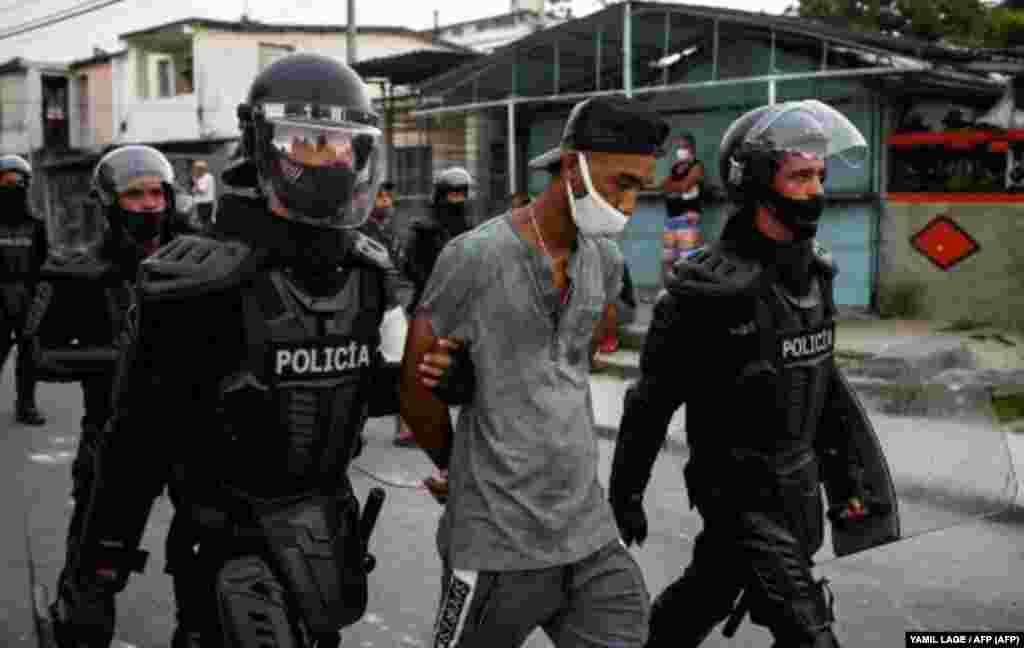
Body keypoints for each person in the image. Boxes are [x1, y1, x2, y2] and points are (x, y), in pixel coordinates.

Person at [51, 53, 432, 647]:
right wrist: (95, 576)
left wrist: (432, 382)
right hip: (226, 544)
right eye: (307, 142)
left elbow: (353, 390)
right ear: (263, 146)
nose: (328, 160)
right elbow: (135, 444)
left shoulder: (365, 273)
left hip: (325, 538)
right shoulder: (196, 284)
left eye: (340, 144)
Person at [608, 100, 881, 648]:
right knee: (811, 637)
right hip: (739, 496)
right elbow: (651, 402)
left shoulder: (815, 277)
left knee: (704, 594)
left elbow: (820, 388)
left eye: (820, 176)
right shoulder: (704, 293)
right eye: (800, 176)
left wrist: (850, 480)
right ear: (756, 182)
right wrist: (626, 493)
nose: (815, 190)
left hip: (798, 494)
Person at [401, 95, 669, 647]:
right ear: (571, 166)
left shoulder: (605, 260)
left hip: (585, 531)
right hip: (497, 541)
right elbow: (414, 384)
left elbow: (572, 360)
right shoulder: (475, 256)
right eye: (619, 183)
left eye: (638, 187)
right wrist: (457, 467)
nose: (627, 202)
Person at [29, 145, 190, 626]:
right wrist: (119, 360)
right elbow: (40, 353)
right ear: (108, 202)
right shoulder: (79, 272)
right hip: (115, 433)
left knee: (206, 556)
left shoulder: (201, 263)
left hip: (195, 436)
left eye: (155, 193)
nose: (147, 204)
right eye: (134, 194)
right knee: (96, 561)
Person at [0, 154, 46, 425]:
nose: (12, 185)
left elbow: (44, 264)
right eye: (6, 181)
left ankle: (26, 405)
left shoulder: (36, 225)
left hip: (27, 298)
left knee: (30, 355)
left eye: (18, 181)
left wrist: (41, 300)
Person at [399, 166, 474, 316]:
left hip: (462, 304)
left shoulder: (469, 229)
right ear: (442, 196)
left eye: (461, 195)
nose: (459, 200)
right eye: (454, 195)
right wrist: (434, 287)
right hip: (430, 304)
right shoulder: (424, 229)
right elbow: (410, 267)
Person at [660, 132, 705, 281]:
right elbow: (664, 187)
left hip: (688, 219)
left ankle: (688, 293)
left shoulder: (697, 166)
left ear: (692, 149)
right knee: (667, 259)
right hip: (671, 218)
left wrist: (676, 188)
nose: (680, 150)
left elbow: (686, 186)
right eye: (678, 147)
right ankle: (666, 290)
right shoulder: (675, 168)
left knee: (688, 261)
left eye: (684, 147)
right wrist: (677, 188)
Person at [190, 159, 216, 229]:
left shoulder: (207, 177)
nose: (194, 171)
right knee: (201, 222)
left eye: (195, 169)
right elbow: (194, 191)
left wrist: (195, 182)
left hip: (205, 204)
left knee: (204, 223)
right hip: (201, 204)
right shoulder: (201, 177)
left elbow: (202, 191)